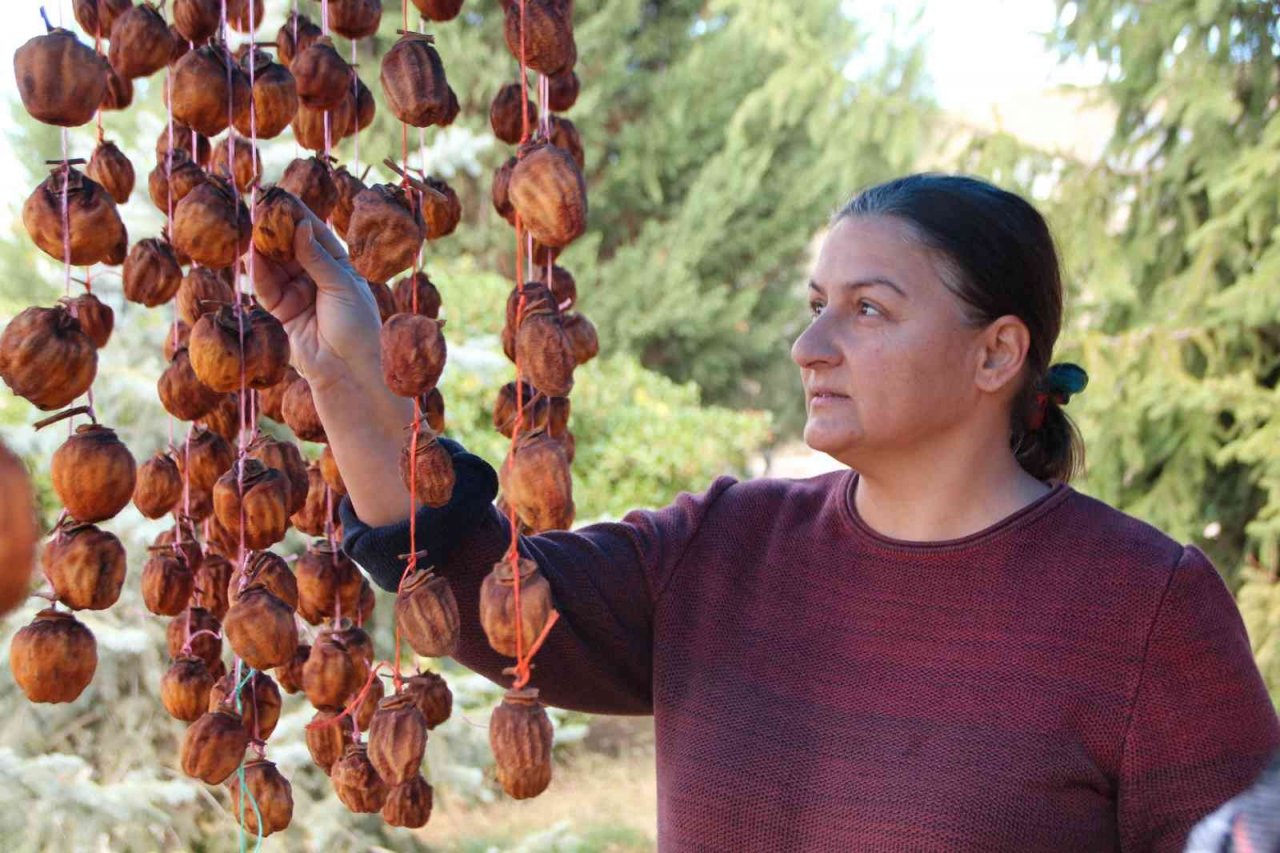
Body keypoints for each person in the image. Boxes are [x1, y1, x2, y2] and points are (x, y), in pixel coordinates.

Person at [253, 173, 1280, 851]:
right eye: (813, 300)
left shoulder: (1144, 607)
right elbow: (470, 578)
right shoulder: (722, 547)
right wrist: (335, 362)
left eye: (865, 308)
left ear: (996, 353)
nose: (808, 343)